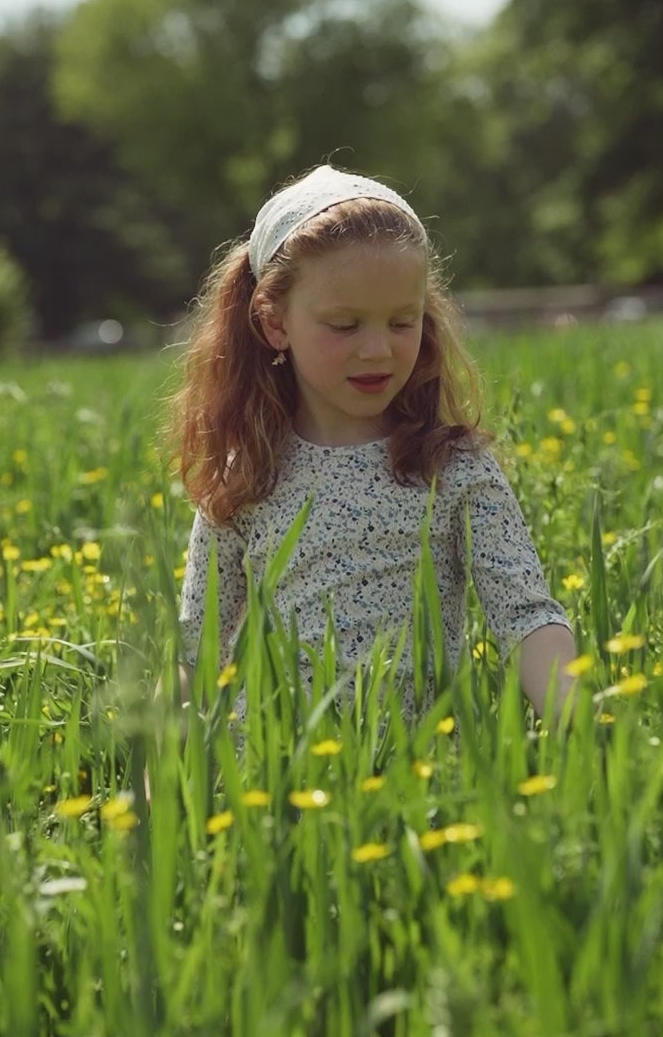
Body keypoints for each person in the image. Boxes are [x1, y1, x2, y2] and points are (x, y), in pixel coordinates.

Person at [160, 163, 581, 737]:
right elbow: (196, 649)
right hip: (268, 778)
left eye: (402, 321)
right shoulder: (248, 476)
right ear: (274, 321)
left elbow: (527, 616)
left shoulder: (452, 469)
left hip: (420, 778)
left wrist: (587, 730)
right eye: (344, 325)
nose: (378, 349)